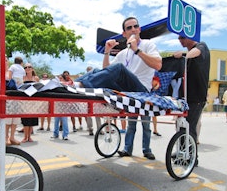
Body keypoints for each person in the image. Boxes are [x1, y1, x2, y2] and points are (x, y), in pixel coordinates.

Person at [76, 17, 162, 160]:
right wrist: (107, 52)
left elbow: (158, 65)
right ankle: (76, 85)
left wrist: (137, 50)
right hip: (128, 90)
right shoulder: (123, 53)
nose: (133, 29)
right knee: (96, 71)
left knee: (146, 124)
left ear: (139, 29)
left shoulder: (148, 45)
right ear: (124, 33)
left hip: (142, 91)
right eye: (129, 28)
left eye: (136, 26)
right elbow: (106, 72)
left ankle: (147, 149)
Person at [173, 35, 210, 166]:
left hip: (197, 97)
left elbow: (197, 52)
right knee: (181, 125)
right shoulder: (188, 55)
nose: (180, 41)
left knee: (190, 127)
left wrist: (183, 55)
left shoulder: (201, 46)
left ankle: (192, 158)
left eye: (182, 38)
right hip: (185, 97)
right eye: (178, 39)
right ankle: (183, 152)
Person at [5, 56, 25, 144]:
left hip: (14, 93)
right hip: (14, 94)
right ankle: (7, 137)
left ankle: (11, 137)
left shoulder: (12, 67)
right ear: (21, 62)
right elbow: (22, 80)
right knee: (10, 118)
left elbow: (9, 77)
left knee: (14, 118)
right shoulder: (22, 69)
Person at [21, 63, 39, 143]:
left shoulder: (36, 78)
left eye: (29, 67)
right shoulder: (23, 78)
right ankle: (25, 137)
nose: (27, 68)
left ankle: (29, 137)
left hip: (33, 101)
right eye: (25, 67)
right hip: (25, 100)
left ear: (32, 68)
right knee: (25, 119)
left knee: (32, 119)